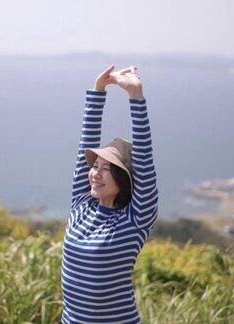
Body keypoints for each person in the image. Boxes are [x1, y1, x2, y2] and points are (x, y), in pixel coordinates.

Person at [61, 65, 159, 323]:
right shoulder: (81, 204)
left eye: (107, 169)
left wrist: (135, 96)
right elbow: (87, 141)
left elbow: (145, 159)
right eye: (95, 166)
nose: (95, 173)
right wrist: (98, 91)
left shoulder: (134, 219)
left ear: (123, 179)